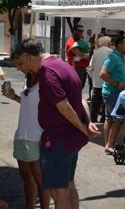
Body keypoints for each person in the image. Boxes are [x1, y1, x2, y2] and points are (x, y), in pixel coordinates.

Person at [12, 38, 99, 209]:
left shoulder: (47, 72)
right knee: (68, 186)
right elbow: (81, 99)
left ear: (27, 56)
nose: (22, 67)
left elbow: (64, 106)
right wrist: (87, 124)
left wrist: (83, 127)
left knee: (59, 193)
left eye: (21, 62)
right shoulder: (64, 65)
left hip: (58, 140)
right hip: (69, 140)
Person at [2, 70, 50, 209]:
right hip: (21, 134)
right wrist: (14, 96)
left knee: (40, 179)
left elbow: (52, 108)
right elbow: (29, 103)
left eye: (20, 62)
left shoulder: (45, 80)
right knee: (27, 178)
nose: (17, 67)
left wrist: (46, 134)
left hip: (36, 136)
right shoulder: (27, 78)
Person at [100, 36, 125, 154]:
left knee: (110, 118)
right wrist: (117, 83)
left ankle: (108, 145)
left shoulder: (120, 57)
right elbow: (102, 74)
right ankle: (110, 144)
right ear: (119, 45)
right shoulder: (112, 57)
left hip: (112, 92)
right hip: (112, 92)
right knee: (118, 119)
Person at [88, 36, 112, 123]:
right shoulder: (111, 52)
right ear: (109, 43)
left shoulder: (96, 52)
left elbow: (90, 68)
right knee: (106, 103)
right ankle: (104, 119)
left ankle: (93, 120)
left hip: (97, 82)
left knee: (95, 104)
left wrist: (93, 78)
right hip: (108, 82)